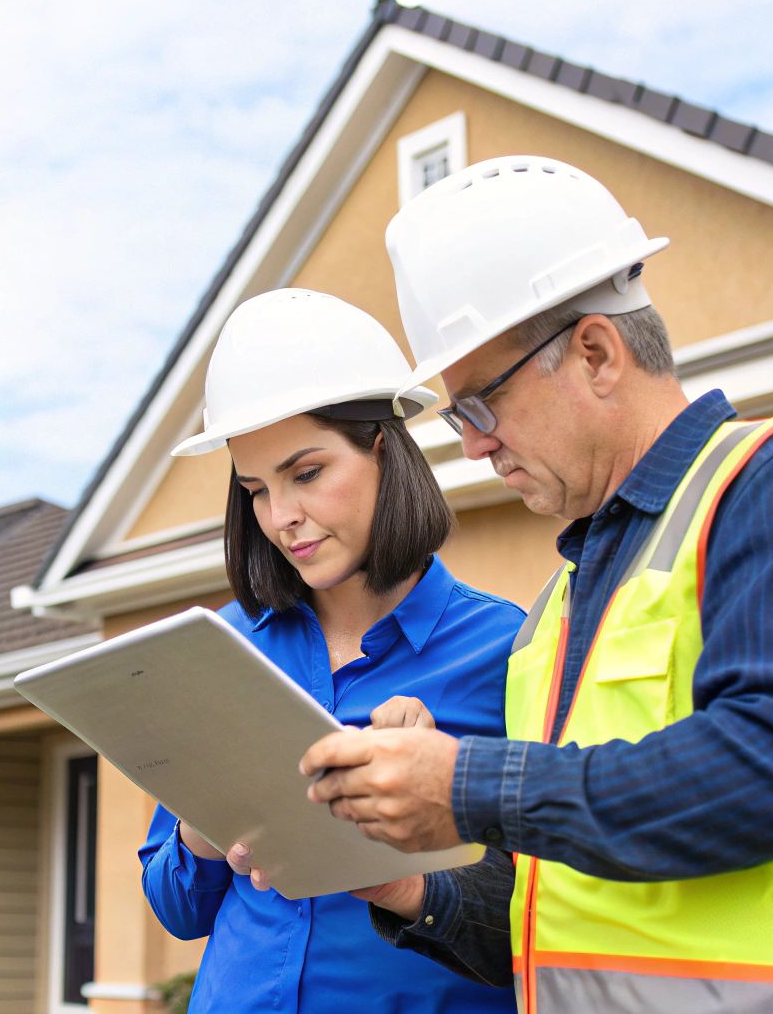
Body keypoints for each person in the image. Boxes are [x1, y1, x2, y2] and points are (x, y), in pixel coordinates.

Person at [297, 157, 773, 1013]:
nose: (473, 448)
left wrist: (465, 784)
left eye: (477, 406)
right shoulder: (559, 611)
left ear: (595, 352)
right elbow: (554, 925)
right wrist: (405, 883)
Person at [136, 288, 524, 1013]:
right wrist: (205, 826)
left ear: (384, 449)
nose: (282, 518)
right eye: (255, 489)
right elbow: (177, 908)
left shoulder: (508, 649)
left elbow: (534, 916)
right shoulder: (221, 647)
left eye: (306, 473)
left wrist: (425, 814)